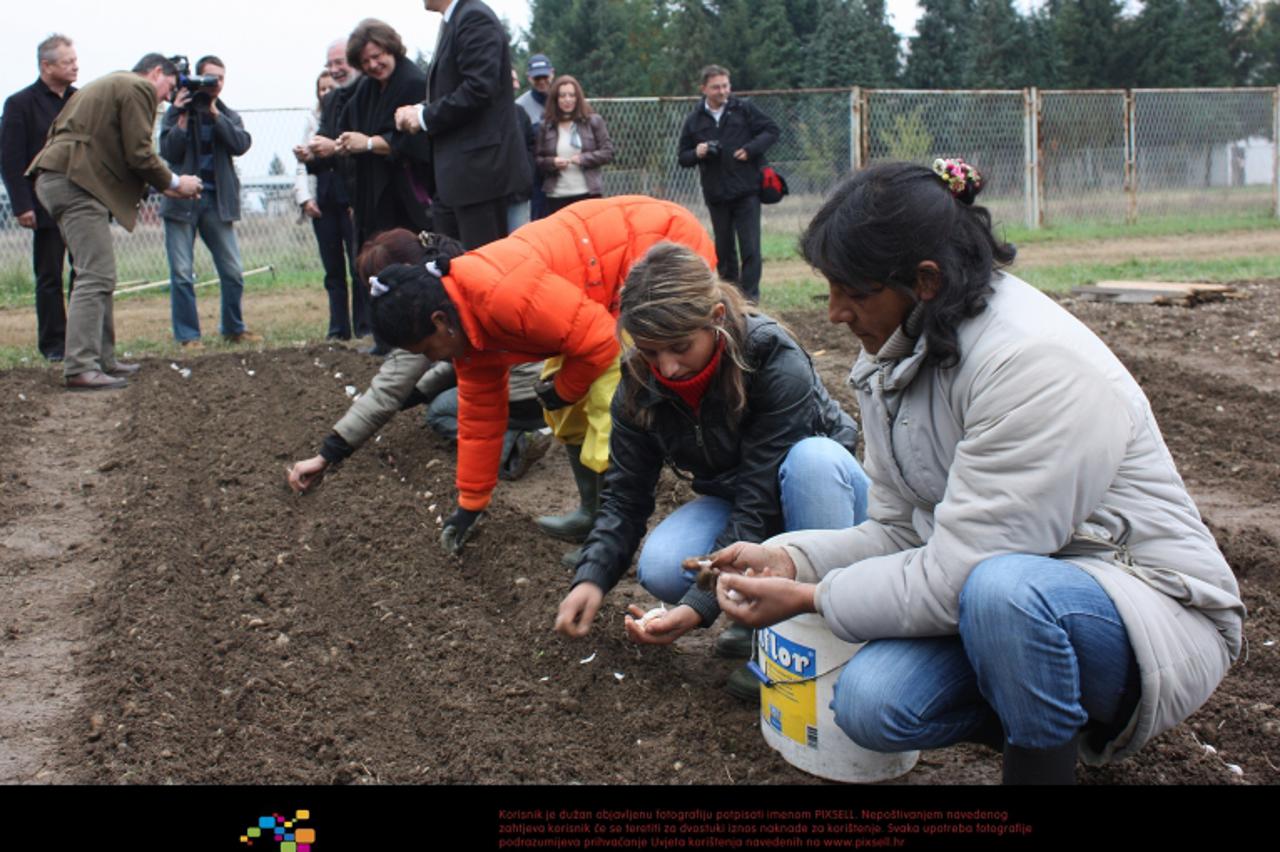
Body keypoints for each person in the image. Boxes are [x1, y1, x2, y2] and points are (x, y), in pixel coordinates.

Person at [706, 160, 1245, 784]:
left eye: (851, 291)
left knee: (1003, 592)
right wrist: (794, 560)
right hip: (1015, 591)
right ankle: (1041, 707)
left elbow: (960, 578)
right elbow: (899, 530)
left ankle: (1042, 765)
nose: (834, 313)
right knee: (872, 703)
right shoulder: (898, 351)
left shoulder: (1030, 365)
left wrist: (812, 598)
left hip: (1150, 608)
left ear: (925, 280)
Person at [553, 243, 868, 694]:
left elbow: (761, 502)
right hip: (739, 495)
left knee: (810, 460)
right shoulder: (639, 383)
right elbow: (625, 497)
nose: (667, 367)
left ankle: (809, 638)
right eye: (649, 351)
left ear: (717, 316)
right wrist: (592, 578)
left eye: (680, 347)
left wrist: (699, 605)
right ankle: (752, 614)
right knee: (662, 565)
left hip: (819, 496)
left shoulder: (772, 359)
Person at [366, 196, 716, 555]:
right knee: (564, 411)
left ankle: (613, 540)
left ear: (439, 323)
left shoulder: (500, 293)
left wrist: (565, 388)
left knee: (609, 409)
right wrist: (470, 505)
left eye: (426, 350)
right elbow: (480, 418)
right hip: (598, 289)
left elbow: (599, 342)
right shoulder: (464, 327)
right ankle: (591, 512)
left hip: (656, 247)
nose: (430, 359)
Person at [286, 229, 547, 496]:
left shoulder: (416, 307)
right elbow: (456, 359)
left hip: (530, 387)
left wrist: (325, 455)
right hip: (546, 372)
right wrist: (415, 393)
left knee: (440, 411)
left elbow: (387, 390)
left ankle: (515, 440)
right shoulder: (452, 269)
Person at [28, 54, 202, 391]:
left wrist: (164, 185)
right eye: (170, 86)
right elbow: (139, 153)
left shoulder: (112, 85)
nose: (168, 96)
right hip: (75, 181)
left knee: (96, 271)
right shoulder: (138, 87)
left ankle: (103, 359)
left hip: (64, 177)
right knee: (96, 273)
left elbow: (119, 152)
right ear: (155, 72)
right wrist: (177, 183)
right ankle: (81, 365)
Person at [394, 0, 528, 250]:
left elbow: (479, 89)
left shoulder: (474, 18)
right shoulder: (455, 21)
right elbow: (456, 89)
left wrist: (423, 116)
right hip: (460, 180)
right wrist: (418, 109)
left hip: (480, 177)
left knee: (485, 270)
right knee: (460, 267)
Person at [159, 55, 260, 350]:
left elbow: (240, 144)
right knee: (181, 272)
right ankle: (188, 336)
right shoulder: (176, 110)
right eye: (209, 78)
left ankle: (233, 327)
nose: (215, 84)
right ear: (197, 79)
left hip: (217, 201)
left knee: (232, 271)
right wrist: (179, 118)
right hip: (181, 201)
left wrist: (216, 116)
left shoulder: (227, 114)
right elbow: (168, 152)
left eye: (220, 79)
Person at [1, 34, 78, 362]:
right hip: (43, 204)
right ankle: (53, 346)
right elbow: (10, 157)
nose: (75, 66)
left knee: (85, 274)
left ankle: (82, 340)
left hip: (81, 202)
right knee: (49, 276)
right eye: (67, 62)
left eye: (75, 60)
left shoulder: (80, 100)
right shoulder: (20, 104)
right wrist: (22, 204)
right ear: (46, 66)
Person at [677, 64, 778, 302]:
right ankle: (731, 297)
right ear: (704, 89)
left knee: (751, 248)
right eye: (716, 87)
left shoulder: (743, 109)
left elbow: (772, 130)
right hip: (717, 194)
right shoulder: (694, 120)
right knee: (724, 250)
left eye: (725, 86)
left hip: (746, 191)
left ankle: (751, 299)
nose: (722, 91)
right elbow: (683, 157)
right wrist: (698, 152)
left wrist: (751, 150)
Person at [298, 39, 366, 340]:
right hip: (326, 199)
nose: (336, 71)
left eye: (340, 63)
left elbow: (360, 147)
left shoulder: (364, 96)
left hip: (353, 197)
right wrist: (310, 155)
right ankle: (338, 329)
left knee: (359, 267)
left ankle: (365, 326)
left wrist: (332, 148)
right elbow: (321, 148)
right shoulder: (329, 105)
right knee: (333, 270)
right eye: (331, 65)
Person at [535, 75, 613, 215]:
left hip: (588, 194)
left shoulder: (593, 121)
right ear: (555, 99)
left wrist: (584, 159)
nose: (567, 100)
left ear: (578, 98)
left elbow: (607, 152)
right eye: (562, 96)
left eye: (572, 95)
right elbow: (538, 160)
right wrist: (552, 162)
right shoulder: (546, 125)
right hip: (557, 196)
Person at [515, 53, 553, 220]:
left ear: (552, 73)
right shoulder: (521, 106)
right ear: (529, 78)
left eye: (544, 76)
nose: (542, 81)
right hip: (538, 180)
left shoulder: (563, 99)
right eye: (537, 78)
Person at [507, 68, 535, 235]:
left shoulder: (520, 113)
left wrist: (526, 175)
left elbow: (531, 146)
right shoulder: (483, 115)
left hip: (518, 193)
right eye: (512, 80)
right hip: (490, 197)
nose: (517, 85)